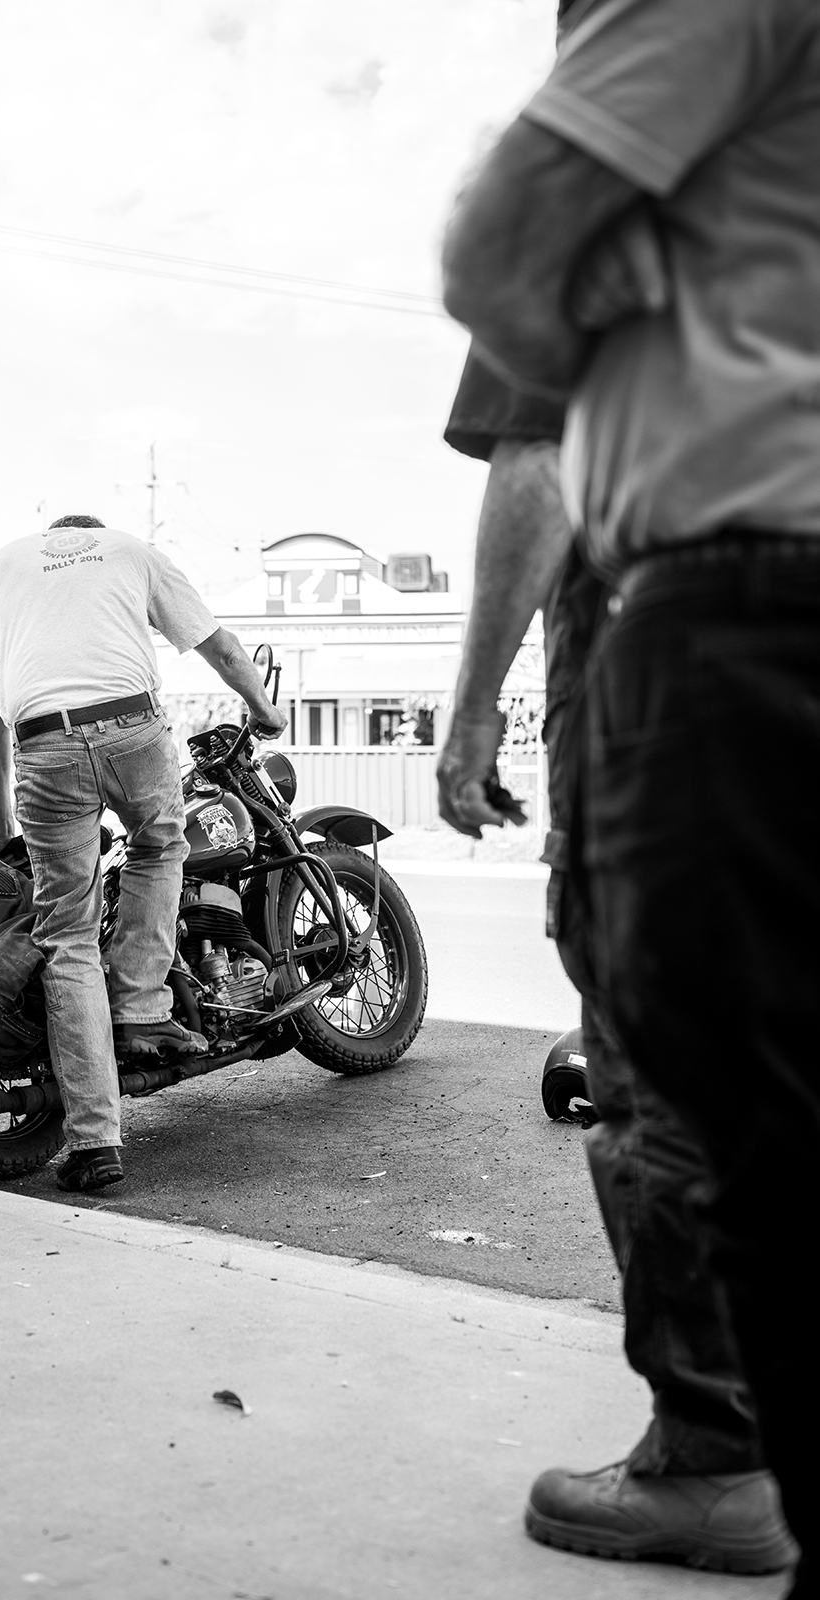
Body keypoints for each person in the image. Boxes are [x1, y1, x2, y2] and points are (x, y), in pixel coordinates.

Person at [442, 3, 820, 1592]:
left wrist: (470, 710)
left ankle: (710, 1451)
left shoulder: (669, 80)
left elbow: (521, 380)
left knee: (663, 1049)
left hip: (713, 582)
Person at [0, 514, 286, 1195]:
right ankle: (141, 1003)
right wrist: (262, 707)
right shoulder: (132, 551)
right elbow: (220, 646)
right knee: (159, 844)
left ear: (49, 538)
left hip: (43, 746)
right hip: (134, 730)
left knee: (68, 939)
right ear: (93, 535)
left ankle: (94, 1144)